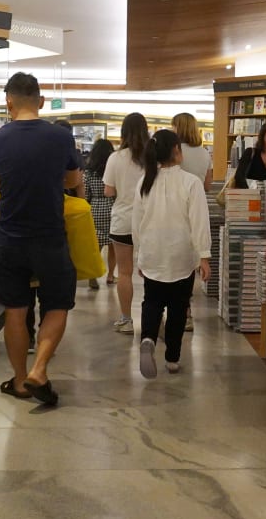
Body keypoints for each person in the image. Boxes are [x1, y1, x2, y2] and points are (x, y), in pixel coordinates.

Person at [0, 72, 81, 406]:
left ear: (8, 102)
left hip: (9, 236)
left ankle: (19, 380)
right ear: (41, 101)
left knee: (15, 310)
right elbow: (73, 179)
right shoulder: (60, 137)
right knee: (57, 304)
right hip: (49, 236)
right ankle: (39, 369)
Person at [132, 129, 211, 378]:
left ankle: (148, 338)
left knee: (151, 301)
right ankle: (172, 358)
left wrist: (139, 255)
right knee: (178, 307)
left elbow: (137, 223)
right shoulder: (191, 182)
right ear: (176, 150)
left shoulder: (144, 182)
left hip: (152, 253)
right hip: (181, 255)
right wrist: (204, 256)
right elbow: (199, 221)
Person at [103, 112, 150, 334]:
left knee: (124, 272)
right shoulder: (152, 157)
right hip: (149, 221)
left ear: (123, 132)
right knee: (152, 273)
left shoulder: (115, 158)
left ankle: (126, 319)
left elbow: (108, 190)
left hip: (122, 220)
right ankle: (154, 318)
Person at [171, 112, 213, 331]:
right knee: (190, 262)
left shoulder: (176, 152)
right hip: (197, 209)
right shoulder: (205, 153)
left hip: (176, 209)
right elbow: (208, 185)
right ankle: (186, 310)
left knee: (174, 260)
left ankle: (177, 310)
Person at [83, 138, 116, 290]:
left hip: (95, 208)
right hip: (111, 206)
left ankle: (93, 275)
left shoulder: (89, 172)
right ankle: (111, 275)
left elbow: (85, 193)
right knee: (113, 245)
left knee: (96, 245)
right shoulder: (112, 170)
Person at [233, 122, 266, 189]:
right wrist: (251, 192)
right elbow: (239, 177)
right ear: (262, 139)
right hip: (250, 193)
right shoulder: (250, 153)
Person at [54, 119, 86, 200]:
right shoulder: (76, 155)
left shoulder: (47, 154)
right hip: (72, 200)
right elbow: (80, 185)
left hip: (54, 199)